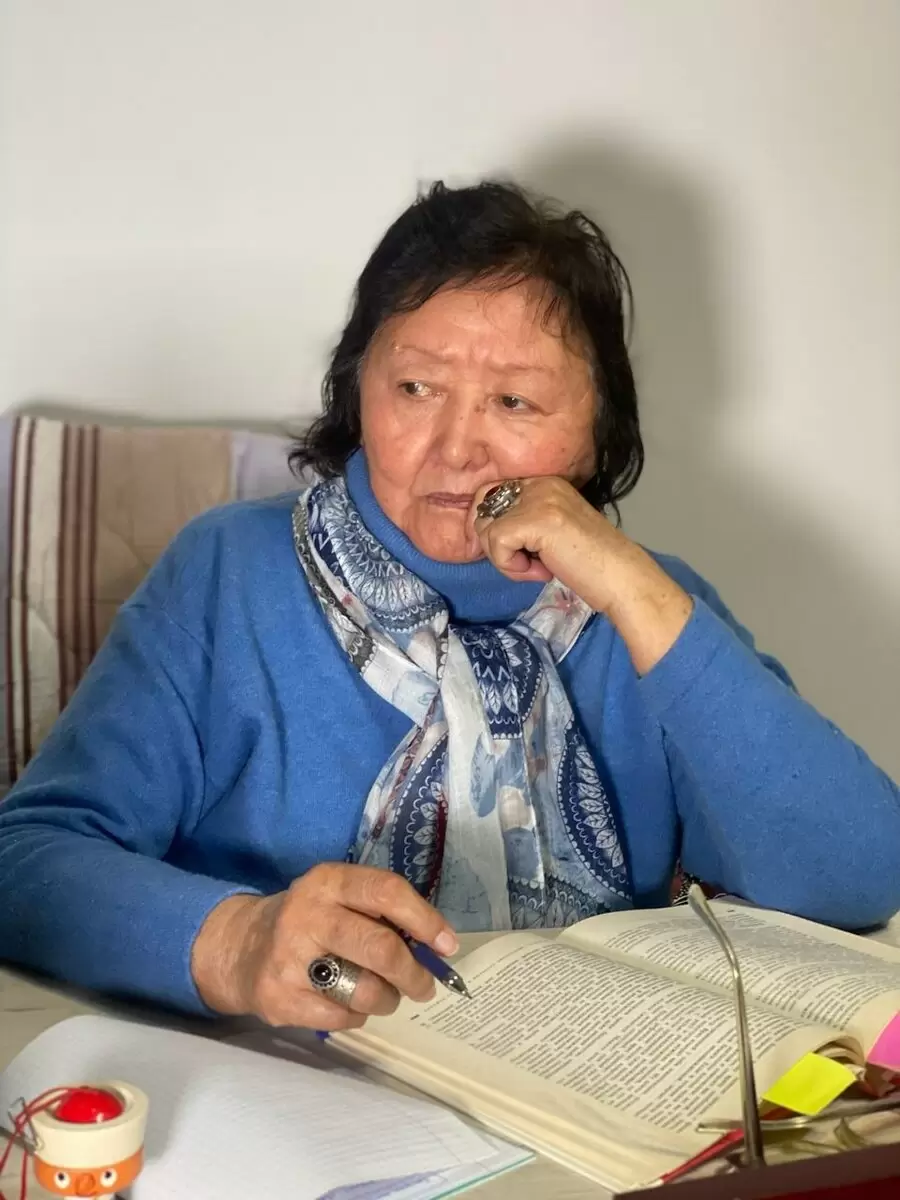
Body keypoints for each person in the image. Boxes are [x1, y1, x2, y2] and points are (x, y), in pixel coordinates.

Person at [0, 181, 898, 1035]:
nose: (458, 449)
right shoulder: (228, 572)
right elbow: (26, 861)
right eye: (416, 389)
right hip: (294, 1102)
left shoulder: (650, 608)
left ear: (599, 434)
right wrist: (237, 944)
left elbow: (860, 877)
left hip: (579, 1101)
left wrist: (634, 587)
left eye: (515, 401)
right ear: (358, 390)